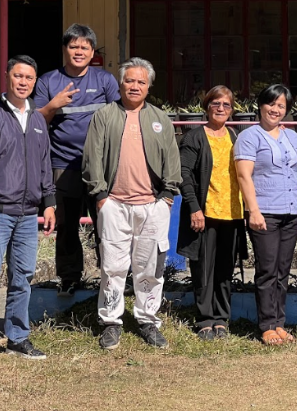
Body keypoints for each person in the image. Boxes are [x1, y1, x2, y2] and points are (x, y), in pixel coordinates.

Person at [83, 57, 181, 350]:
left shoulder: (160, 118)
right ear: (121, 83)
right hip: (114, 204)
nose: (134, 86)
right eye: (130, 80)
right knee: (113, 267)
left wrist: (166, 197)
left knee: (150, 267)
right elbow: (92, 158)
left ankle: (147, 320)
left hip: (153, 205)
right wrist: (101, 197)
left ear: (148, 86)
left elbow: (172, 161)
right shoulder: (105, 115)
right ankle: (111, 322)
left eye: (141, 81)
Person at [0, 56, 57, 363]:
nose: (23, 82)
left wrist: (49, 204)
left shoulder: (36, 119)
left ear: (34, 82)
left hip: (29, 213)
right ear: (7, 77)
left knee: (23, 277)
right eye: (18, 76)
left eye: (29, 78)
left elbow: (45, 164)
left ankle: (17, 338)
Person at [34, 24, 120, 296]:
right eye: (73, 46)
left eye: (84, 47)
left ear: (92, 51)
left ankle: (113, 280)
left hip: (102, 168)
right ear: (64, 50)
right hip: (63, 164)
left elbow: (119, 120)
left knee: (106, 225)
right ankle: (70, 278)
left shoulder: (105, 81)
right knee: (67, 226)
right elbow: (35, 122)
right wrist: (52, 105)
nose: (79, 51)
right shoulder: (48, 81)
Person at [234, 84, 297, 346]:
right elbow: (244, 175)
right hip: (265, 213)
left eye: (281, 106)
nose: (276, 109)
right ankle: (267, 325)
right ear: (261, 105)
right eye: (272, 103)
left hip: (292, 212)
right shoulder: (250, 137)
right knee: (267, 270)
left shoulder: (293, 137)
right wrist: (253, 210)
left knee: (283, 270)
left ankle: (280, 323)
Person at [177, 85, 247, 341]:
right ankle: (205, 319)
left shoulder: (235, 136)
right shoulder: (194, 137)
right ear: (206, 107)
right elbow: (183, 174)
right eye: (216, 103)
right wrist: (194, 208)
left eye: (226, 105)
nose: (221, 108)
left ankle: (221, 318)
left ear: (232, 110)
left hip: (232, 214)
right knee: (203, 269)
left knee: (225, 269)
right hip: (205, 214)